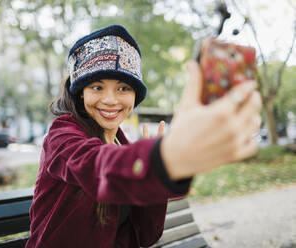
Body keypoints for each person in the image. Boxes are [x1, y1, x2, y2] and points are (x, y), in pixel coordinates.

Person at [26, 25, 261, 248]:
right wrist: (166, 156)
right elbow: (94, 165)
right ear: (80, 93)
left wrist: (175, 164)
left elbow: (146, 236)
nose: (110, 99)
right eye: (97, 87)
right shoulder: (62, 135)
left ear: (135, 96)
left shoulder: (121, 144)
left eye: (123, 88)